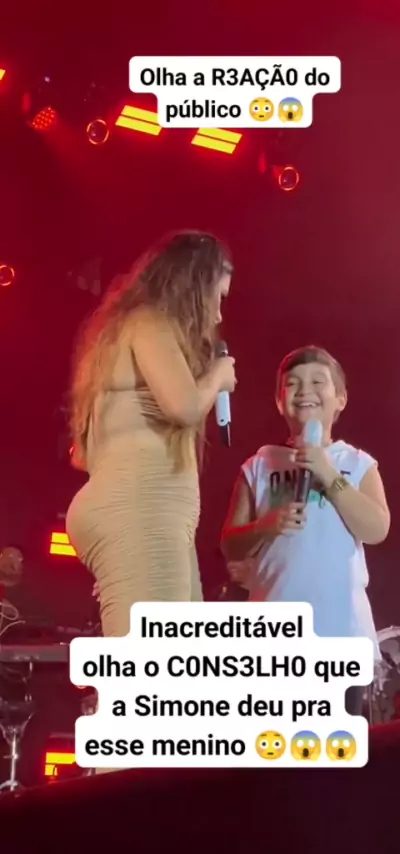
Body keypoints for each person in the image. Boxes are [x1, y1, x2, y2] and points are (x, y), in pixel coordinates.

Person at [66, 231, 236, 639]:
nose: (218, 316)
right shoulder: (149, 323)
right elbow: (184, 406)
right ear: (193, 286)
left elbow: (82, 455)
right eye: (217, 297)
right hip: (141, 510)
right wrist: (217, 376)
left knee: (180, 659)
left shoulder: (120, 333)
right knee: (156, 663)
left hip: (139, 513)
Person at [221, 345, 390, 714]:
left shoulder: (357, 463)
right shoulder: (260, 465)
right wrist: (265, 527)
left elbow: (377, 528)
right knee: (275, 745)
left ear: (340, 399)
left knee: (337, 745)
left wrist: (328, 473)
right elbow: (230, 544)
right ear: (279, 402)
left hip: (340, 636)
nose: (305, 390)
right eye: (293, 383)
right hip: (273, 640)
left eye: (318, 382)